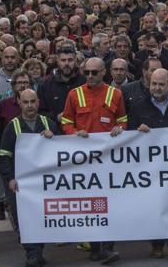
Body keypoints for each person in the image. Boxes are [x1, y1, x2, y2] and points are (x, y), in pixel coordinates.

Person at [60, 57, 127, 264]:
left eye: (94, 73)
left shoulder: (115, 93)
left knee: (110, 204)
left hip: (108, 161)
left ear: (103, 72)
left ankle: (108, 248)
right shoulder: (74, 94)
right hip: (84, 161)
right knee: (91, 205)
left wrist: (120, 129)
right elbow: (66, 121)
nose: (90, 76)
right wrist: (74, 133)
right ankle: (96, 247)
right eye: (87, 72)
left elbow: (123, 120)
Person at [125, 68, 168, 260]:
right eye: (153, 84)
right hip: (150, 166)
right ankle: (157, 244)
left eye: (160, 84)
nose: (156, 88)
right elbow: (129, 134)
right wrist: (138, 131)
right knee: (155, 203)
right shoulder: (139, 106)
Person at [0, 89, 59, 267]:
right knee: (25, 219)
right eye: (26, 102)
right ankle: (33, 253)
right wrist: (10, 178)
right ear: (19, 103)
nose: (30, 106)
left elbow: (64, 151)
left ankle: (37, 251)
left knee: (42, 216)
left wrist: (54, 138)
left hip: (46, 183)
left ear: (38, 102)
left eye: (33, 101)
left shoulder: (49, 124)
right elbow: (4, 156)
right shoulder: (12, 126)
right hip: (22, 185)